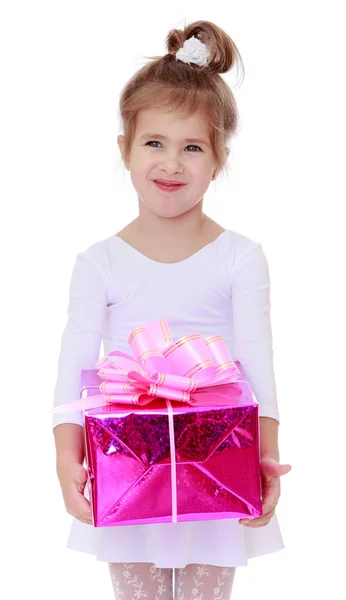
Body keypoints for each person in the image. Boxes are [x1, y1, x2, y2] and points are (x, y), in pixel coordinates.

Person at [52, 20, 292, 600]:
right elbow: (75, 364)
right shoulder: (100, 261)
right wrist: (66, 459)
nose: (171, 164)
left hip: (217, 454)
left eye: (193, 147)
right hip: (129, 462)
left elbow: (259, 360)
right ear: (125, 149)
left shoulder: (240, 257)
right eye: (154, 143)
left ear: (219, 160)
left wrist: (266, 456)